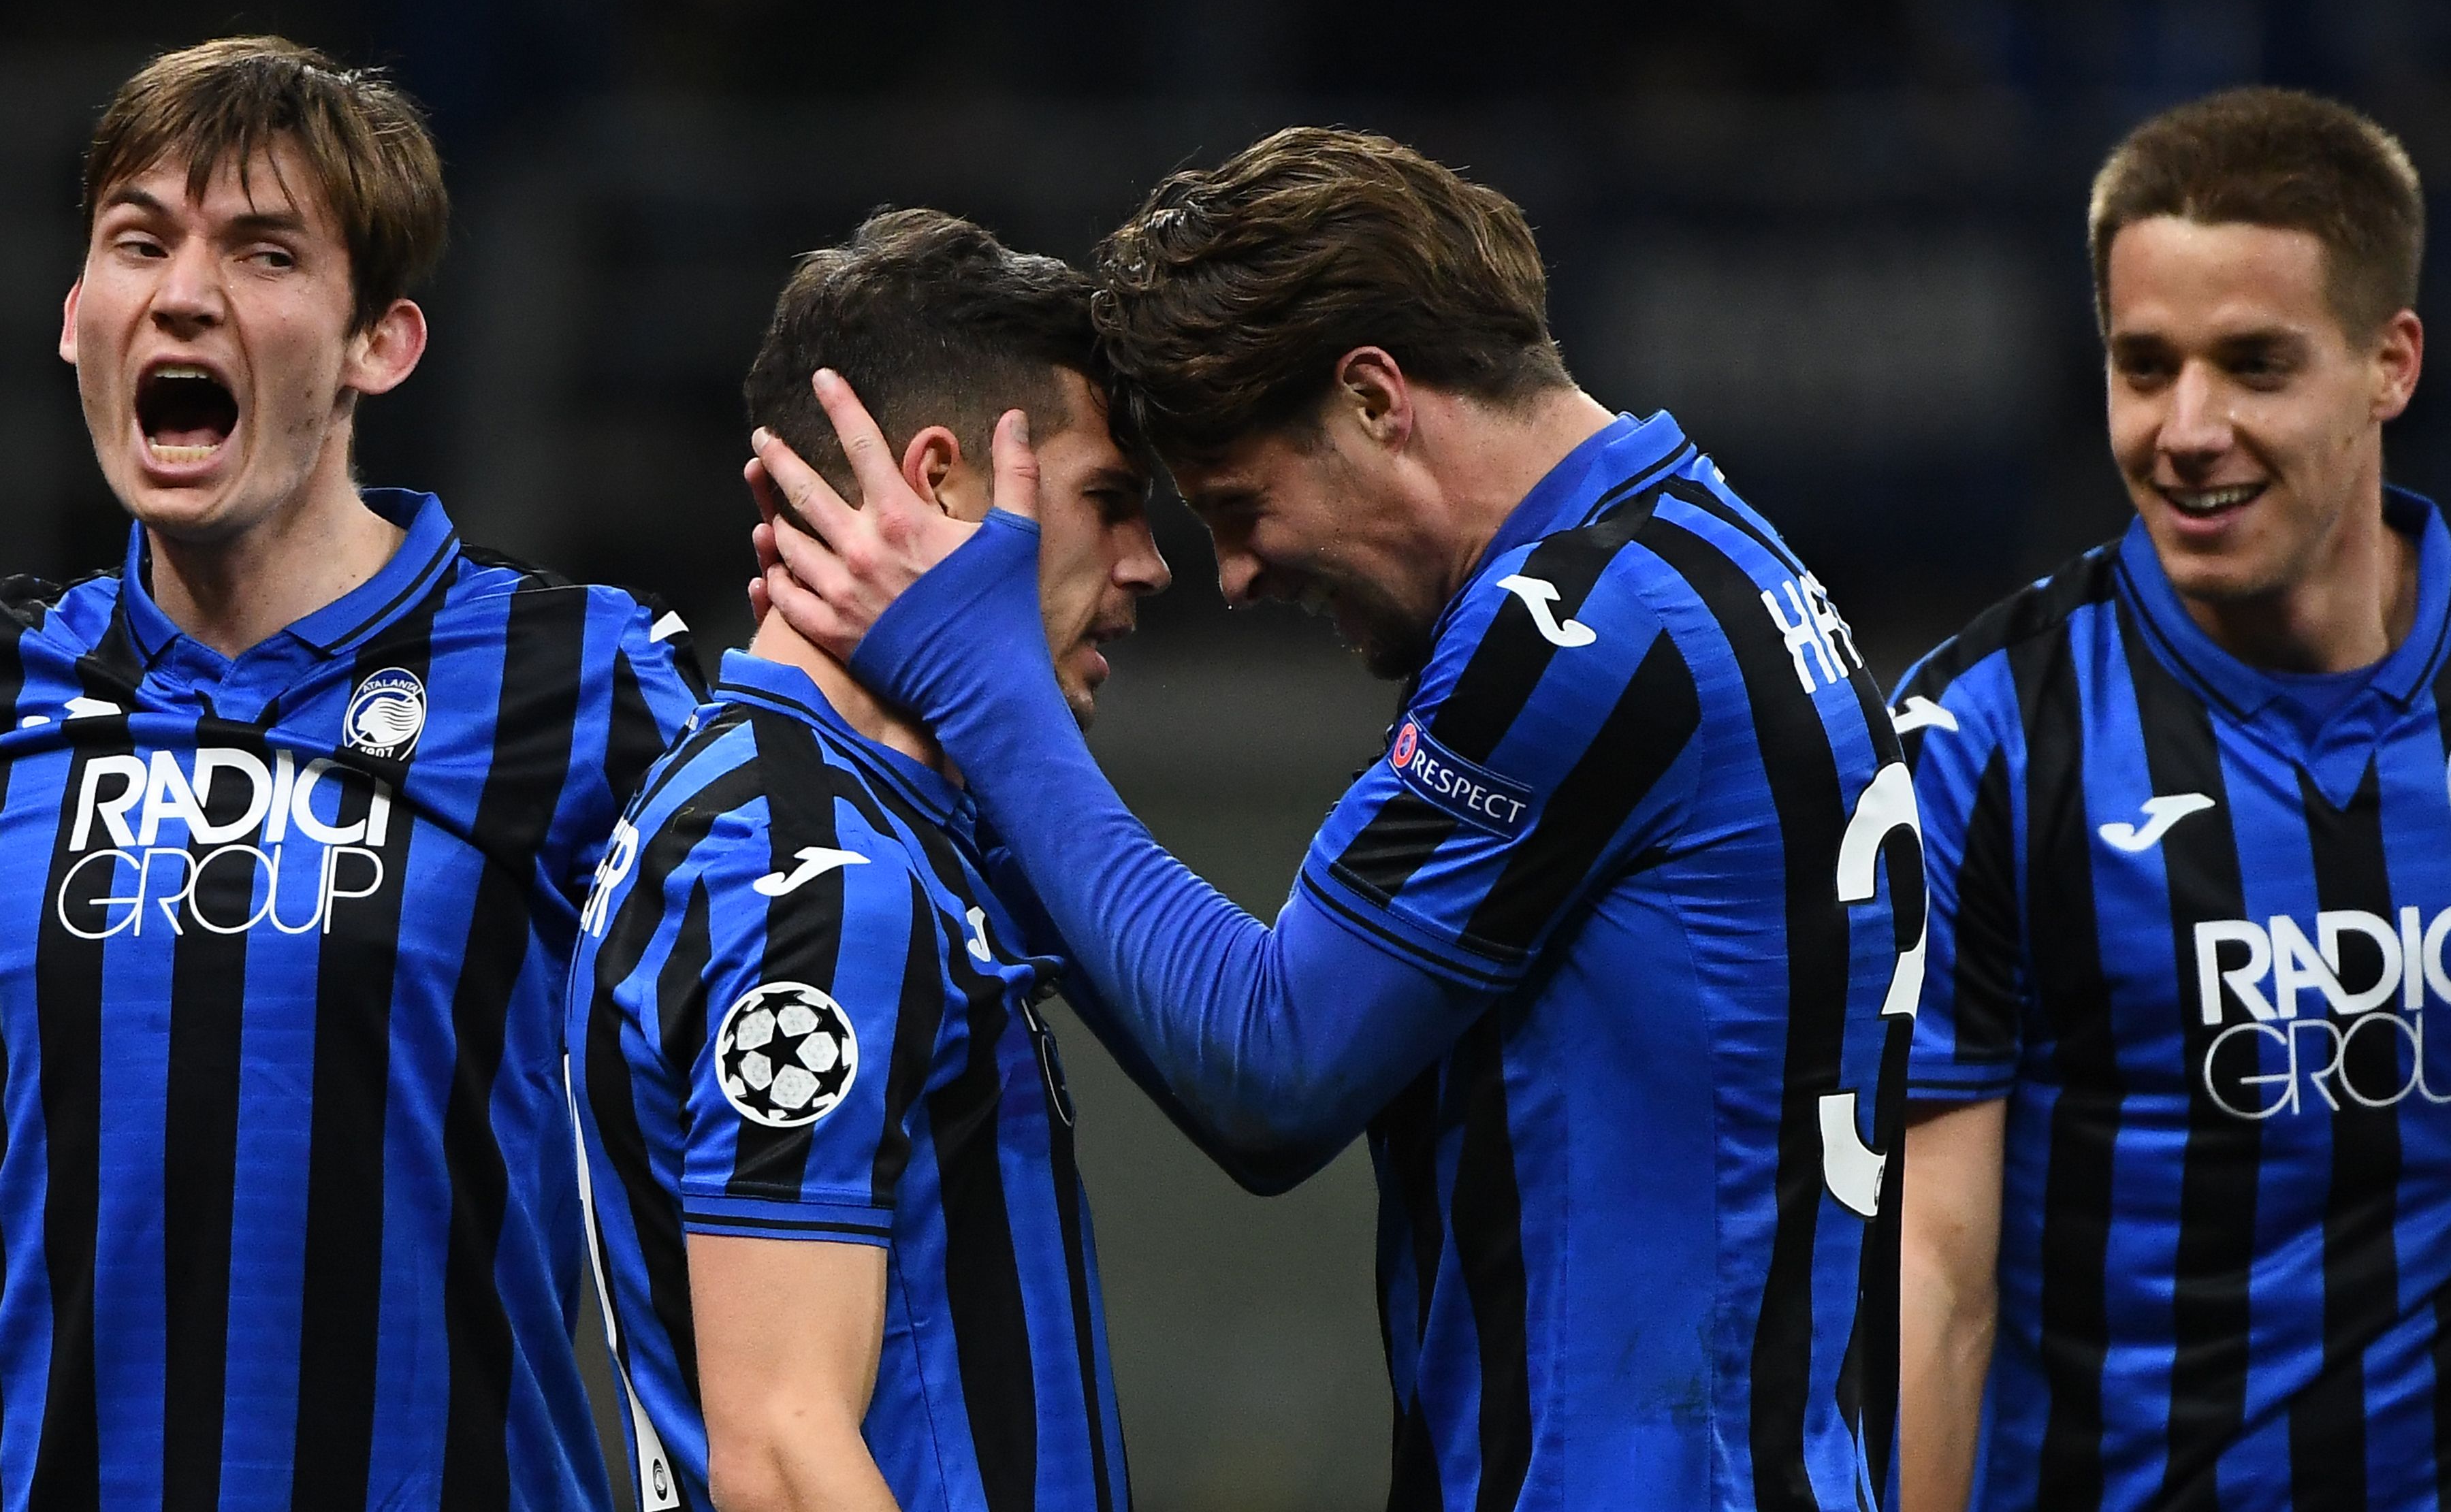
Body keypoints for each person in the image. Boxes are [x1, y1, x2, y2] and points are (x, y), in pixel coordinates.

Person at [748, 129, 1923, 1509]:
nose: (1235, 579)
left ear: (1376, 400)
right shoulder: (1710, 559)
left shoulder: (1579, 629)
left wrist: (981, 688)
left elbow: (1272, 1065)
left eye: (1242, 508)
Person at [1, 37, 704, 1511]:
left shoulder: (581, 688)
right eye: (140, 242)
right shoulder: (13, 696)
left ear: (382, 342)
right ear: (78, 318)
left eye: (264, 253)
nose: (183, 292)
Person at [566, 209, 1170, 1512]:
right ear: (941, 482)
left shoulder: (750, 805)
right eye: (1109, 503)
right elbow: (782, 1452)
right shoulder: (815, 875)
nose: (1146, 566)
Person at [1893, 87, 2441, 1511]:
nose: (2187, 429)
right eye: (2146, 367)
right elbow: (1931, 1278)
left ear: (2391, 366)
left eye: (2255, 365)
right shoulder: (1985, 740)